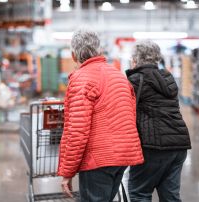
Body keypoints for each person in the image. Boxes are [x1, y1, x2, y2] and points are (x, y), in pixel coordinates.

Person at [57, 29, 144, 201]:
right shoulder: (118, 76)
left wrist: (67, 172)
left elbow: (77, 131)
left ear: (74, 56)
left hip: (98, 159)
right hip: (122, 156)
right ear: (99, 50)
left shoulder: (81, 78)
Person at [126, 40, 191, 202]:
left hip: (153, 146)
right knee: (170, 196)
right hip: (178, 144)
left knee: (139, 192)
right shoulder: (167, 78)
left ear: (136, 59)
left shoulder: (135, 80)